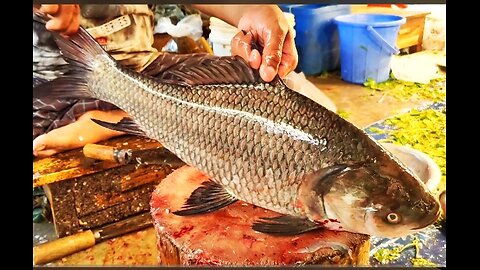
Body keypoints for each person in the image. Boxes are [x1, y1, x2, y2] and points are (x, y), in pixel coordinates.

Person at [33, 4, 298, 157]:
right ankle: (107, 120)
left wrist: (251, 9)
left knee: (230, 80)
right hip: (56, 82)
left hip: (144, 70)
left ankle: (124, 115)